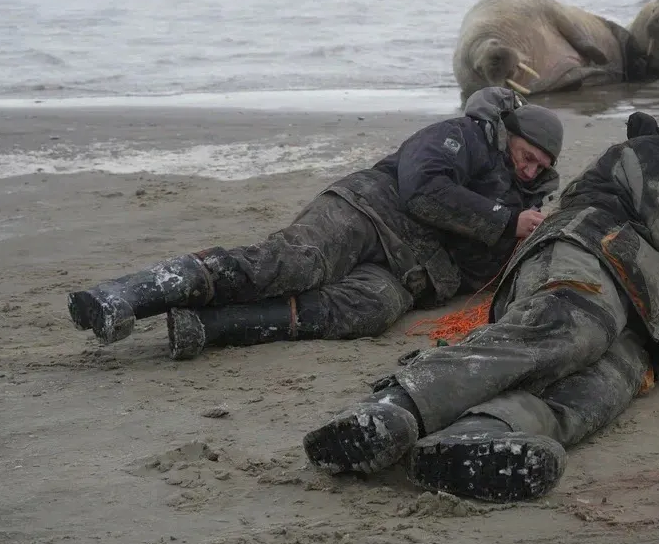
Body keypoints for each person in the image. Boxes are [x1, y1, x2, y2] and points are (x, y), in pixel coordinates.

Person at [300, 107, 659, 503]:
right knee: (565, 332)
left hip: (636, 316)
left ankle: (479, 437)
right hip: (587, 259)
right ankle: (393, 408)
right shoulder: (655, 156)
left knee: (595, 392)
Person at [66, 86, 565, 360]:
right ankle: (125, 295)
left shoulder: (527, 211)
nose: (529, 170)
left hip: (407, 275)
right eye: (526, 157)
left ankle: (208, 327)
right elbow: (423, 190)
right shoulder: (463, 136)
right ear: (508, 135)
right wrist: (504, 220)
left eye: (539, 168)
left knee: (369, 312)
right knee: (296, 264)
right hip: (369, 210)